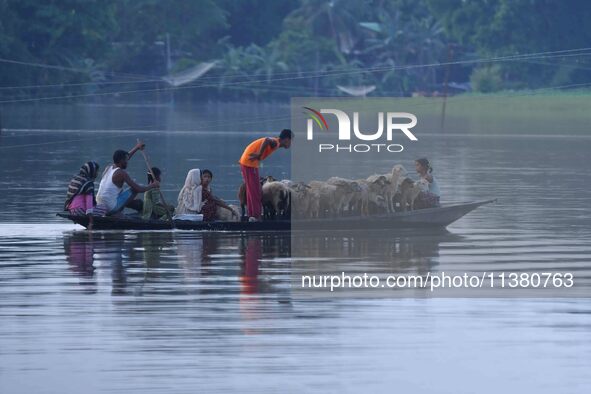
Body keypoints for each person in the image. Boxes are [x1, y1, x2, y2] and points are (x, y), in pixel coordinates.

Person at [238, 129, 293, 221]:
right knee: (256, 191)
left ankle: (252, 215)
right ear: (287, 139)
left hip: (248, 163)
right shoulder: (276, 143)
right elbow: (266, 140)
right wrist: (259, 154)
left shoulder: (276, 142)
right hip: (250, 163)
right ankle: (256, 216)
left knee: (252, 190)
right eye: (291, 141)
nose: (291, 144)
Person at [96, 141, 159, 216]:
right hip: (110, 208)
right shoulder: (121, 173)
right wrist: (153, 185)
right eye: (126, 160)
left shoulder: (108, 168)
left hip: (100, 206)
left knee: (124, 194)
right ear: (121, 161)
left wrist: (137, 148)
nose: (127, 162)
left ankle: (124, 207)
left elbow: (127, 156)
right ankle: (117, 211)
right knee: (133, 190)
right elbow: (139, 189)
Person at [65, 161, 100, 230]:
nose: (97, 174)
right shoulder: (88, 183)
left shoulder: (76, 179)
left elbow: (69, 197)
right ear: (91, 171)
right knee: (104, 208)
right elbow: (89, 204)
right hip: (80, 211)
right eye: (96, 171)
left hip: (72, 211)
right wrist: (91, 222)